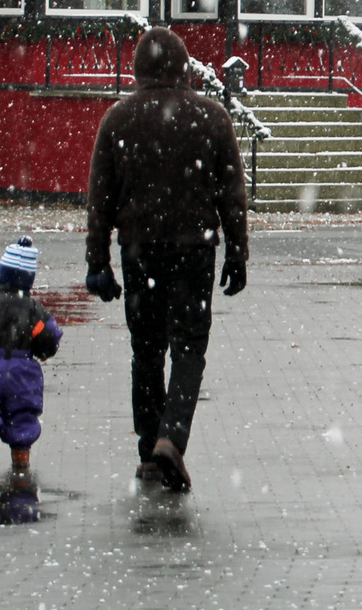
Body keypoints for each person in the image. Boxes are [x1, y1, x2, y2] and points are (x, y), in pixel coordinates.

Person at [85, 26, 248, 492]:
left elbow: (100, 199)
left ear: (138, 69)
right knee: (190, 347)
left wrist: (98, 262)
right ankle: (172, 439)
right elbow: (232, 194)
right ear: (183, 67)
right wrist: (236, 253)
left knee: (147, 349)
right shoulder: (211, 117)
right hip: (194, 249)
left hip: (139, 250)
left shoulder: (118, 119)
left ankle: (149, 450)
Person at [0, 237, 63, 473]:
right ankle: (21, 459)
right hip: (23, 372)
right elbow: (49, 341)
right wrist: (39, 350)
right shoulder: (35, 311)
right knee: (23, 415)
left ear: (1, 275)